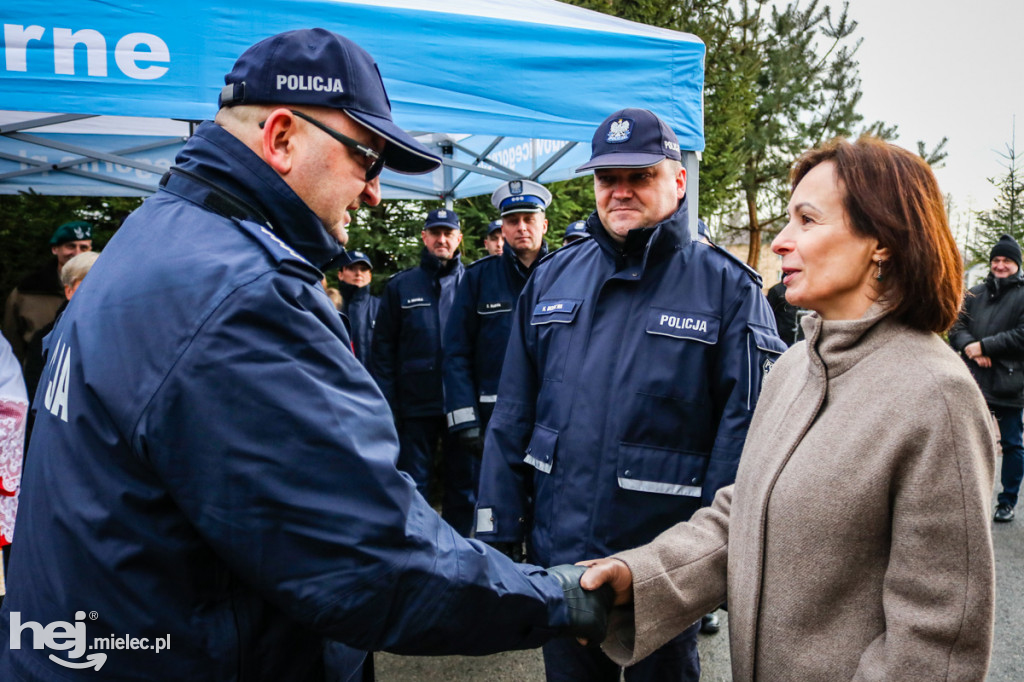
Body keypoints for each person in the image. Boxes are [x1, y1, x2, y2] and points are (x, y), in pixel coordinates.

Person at [0, 29, 612, 681]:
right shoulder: (239, 294)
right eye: (367, 159)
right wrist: (565, 598)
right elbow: (371, 562)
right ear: (283, 137)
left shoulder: (158, 238)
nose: (375, 192)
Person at [581, 136, 997, 682]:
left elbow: (934, 644)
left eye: (807, 220)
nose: (779, 242)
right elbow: (742, 516)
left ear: (883, 242)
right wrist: (638, 576)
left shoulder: (937, 396)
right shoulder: (795, 365)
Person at [475, 108, 786, 681]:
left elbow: (743, 437)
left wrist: (713, 565)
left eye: (639, 176)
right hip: (561, 558)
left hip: (661, 566)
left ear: (678, 181)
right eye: (606, 178)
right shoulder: (553, 277)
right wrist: (497, 528)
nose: (619, 191)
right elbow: (514, 410)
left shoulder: (728, 287)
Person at [369, 208, 476, 534]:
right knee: (414, 482)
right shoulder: (401, 287)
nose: (442, 240)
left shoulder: (472, 282)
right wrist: (388, 406)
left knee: (465, 484)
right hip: (416, 405)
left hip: (461, 403)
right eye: (436, 233)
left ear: (459, 239)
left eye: (448, 233)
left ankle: (461, 550)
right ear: (424, 237)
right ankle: (418, 547)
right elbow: (383, 353)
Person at [442, 179, 551, 476]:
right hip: (494, 419)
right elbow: (456, 353)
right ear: (503, 230)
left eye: (529, 219)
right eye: (513, 221)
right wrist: (465, 421)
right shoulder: (478, 279)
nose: (522, 227)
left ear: (544, 225)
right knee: (496, 511)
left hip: (553, 420)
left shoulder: (566, 273)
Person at [950, 233, 1024, 523]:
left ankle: (1007, 501)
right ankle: (969, 499)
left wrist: (986, 346)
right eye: (996, 260)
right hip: (974, 381)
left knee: (1012, 444)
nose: (1000, 265)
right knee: (967, 443)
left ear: (1016, 264)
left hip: (1009, 382)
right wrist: (971, 347)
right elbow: (956, 326)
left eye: (1006, 260)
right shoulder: (976, 293)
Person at [2, 220, 92, 364]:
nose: (77, 253)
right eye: (70, 246)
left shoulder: (100, 289)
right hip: (35, 375)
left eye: (83, 247)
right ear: (55, 249)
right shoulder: (27, 291)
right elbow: (11, 342)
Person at [338, 250, 380, 366]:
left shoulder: (382, 307)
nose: (358, 273)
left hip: (375, 381)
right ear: (340, 274)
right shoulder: (329, 307)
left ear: (370, 276)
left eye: (363, 269)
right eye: (352, 268)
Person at [765, 279, 808, 347]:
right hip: (781, 337)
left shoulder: (801, 290)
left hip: (798, 336)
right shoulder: (776, 290)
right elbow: (768, 315)